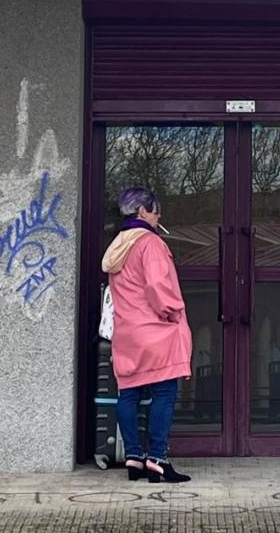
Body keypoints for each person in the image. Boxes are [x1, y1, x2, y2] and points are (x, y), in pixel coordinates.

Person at [101, 186, 193, 483]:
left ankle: (133, 457)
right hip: (155, 331)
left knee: (128, 394)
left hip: (127, 333)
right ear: (142, 211)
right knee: (164, 393)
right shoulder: (149, 243)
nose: (159, 215)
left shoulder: (118, 246)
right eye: (156, 210)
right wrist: (172, 312)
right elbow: (157, 287)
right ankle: (157, 459)